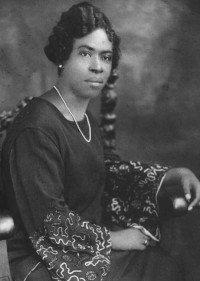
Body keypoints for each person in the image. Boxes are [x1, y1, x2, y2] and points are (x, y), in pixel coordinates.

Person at [1, 2, 200, 280]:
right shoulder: (36, 128)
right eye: (85, 53)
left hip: (86, 245)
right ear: (62, 56)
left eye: (106, 57)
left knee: (171, 262)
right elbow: (50, 221)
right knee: (160, 270)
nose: (97, 67)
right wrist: (118, 239)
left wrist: (167, 177)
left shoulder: (83, 119)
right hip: (42, 259)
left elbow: (105, 171)